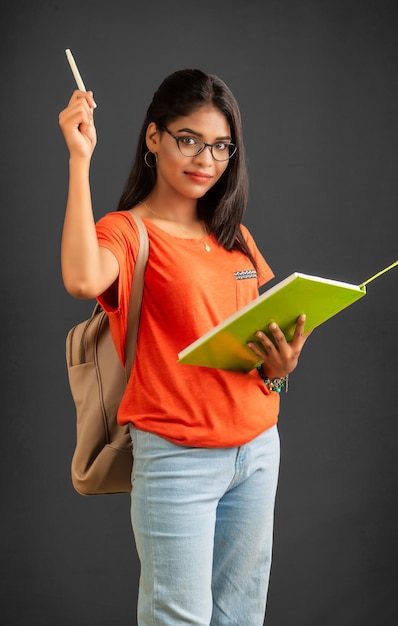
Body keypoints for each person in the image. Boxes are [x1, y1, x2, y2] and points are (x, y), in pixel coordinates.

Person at [59, 68, 310, 626]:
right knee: (179, 619)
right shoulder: (127, 232)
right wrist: (81, 160)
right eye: (189, 140)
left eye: (221, 146)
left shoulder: (234, 236)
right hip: (178, 457)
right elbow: (80, 280)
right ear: (154, 138)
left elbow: (248, 350)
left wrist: (279, 368)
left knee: (241, 617)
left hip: (257, 450)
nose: (206, 160)